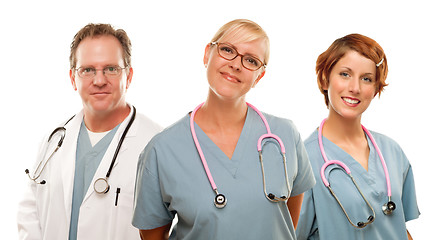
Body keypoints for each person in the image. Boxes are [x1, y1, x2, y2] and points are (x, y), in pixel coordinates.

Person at [132, 19, 315, 240]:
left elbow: (285, 225)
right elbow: (152, 235)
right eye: (228, 50)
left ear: (259, 76)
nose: (236, 64)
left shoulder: (285, 136)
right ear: (207, 54)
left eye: (251, 60)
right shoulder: (162, 150)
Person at [17, 23, 162, 240]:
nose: (99, 80)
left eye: (111, 69)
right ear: (73, 78)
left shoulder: (157, 145)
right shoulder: (53, 141)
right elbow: (29, 213)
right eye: (88, 70)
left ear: (129, 76)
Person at [296, 33, 420, 240]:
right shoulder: (303, 161)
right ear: (325, 79)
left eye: (367, 79)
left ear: (375, 89)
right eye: (345, 74)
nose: (355, 88)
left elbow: (398, 227)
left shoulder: (392, 151)